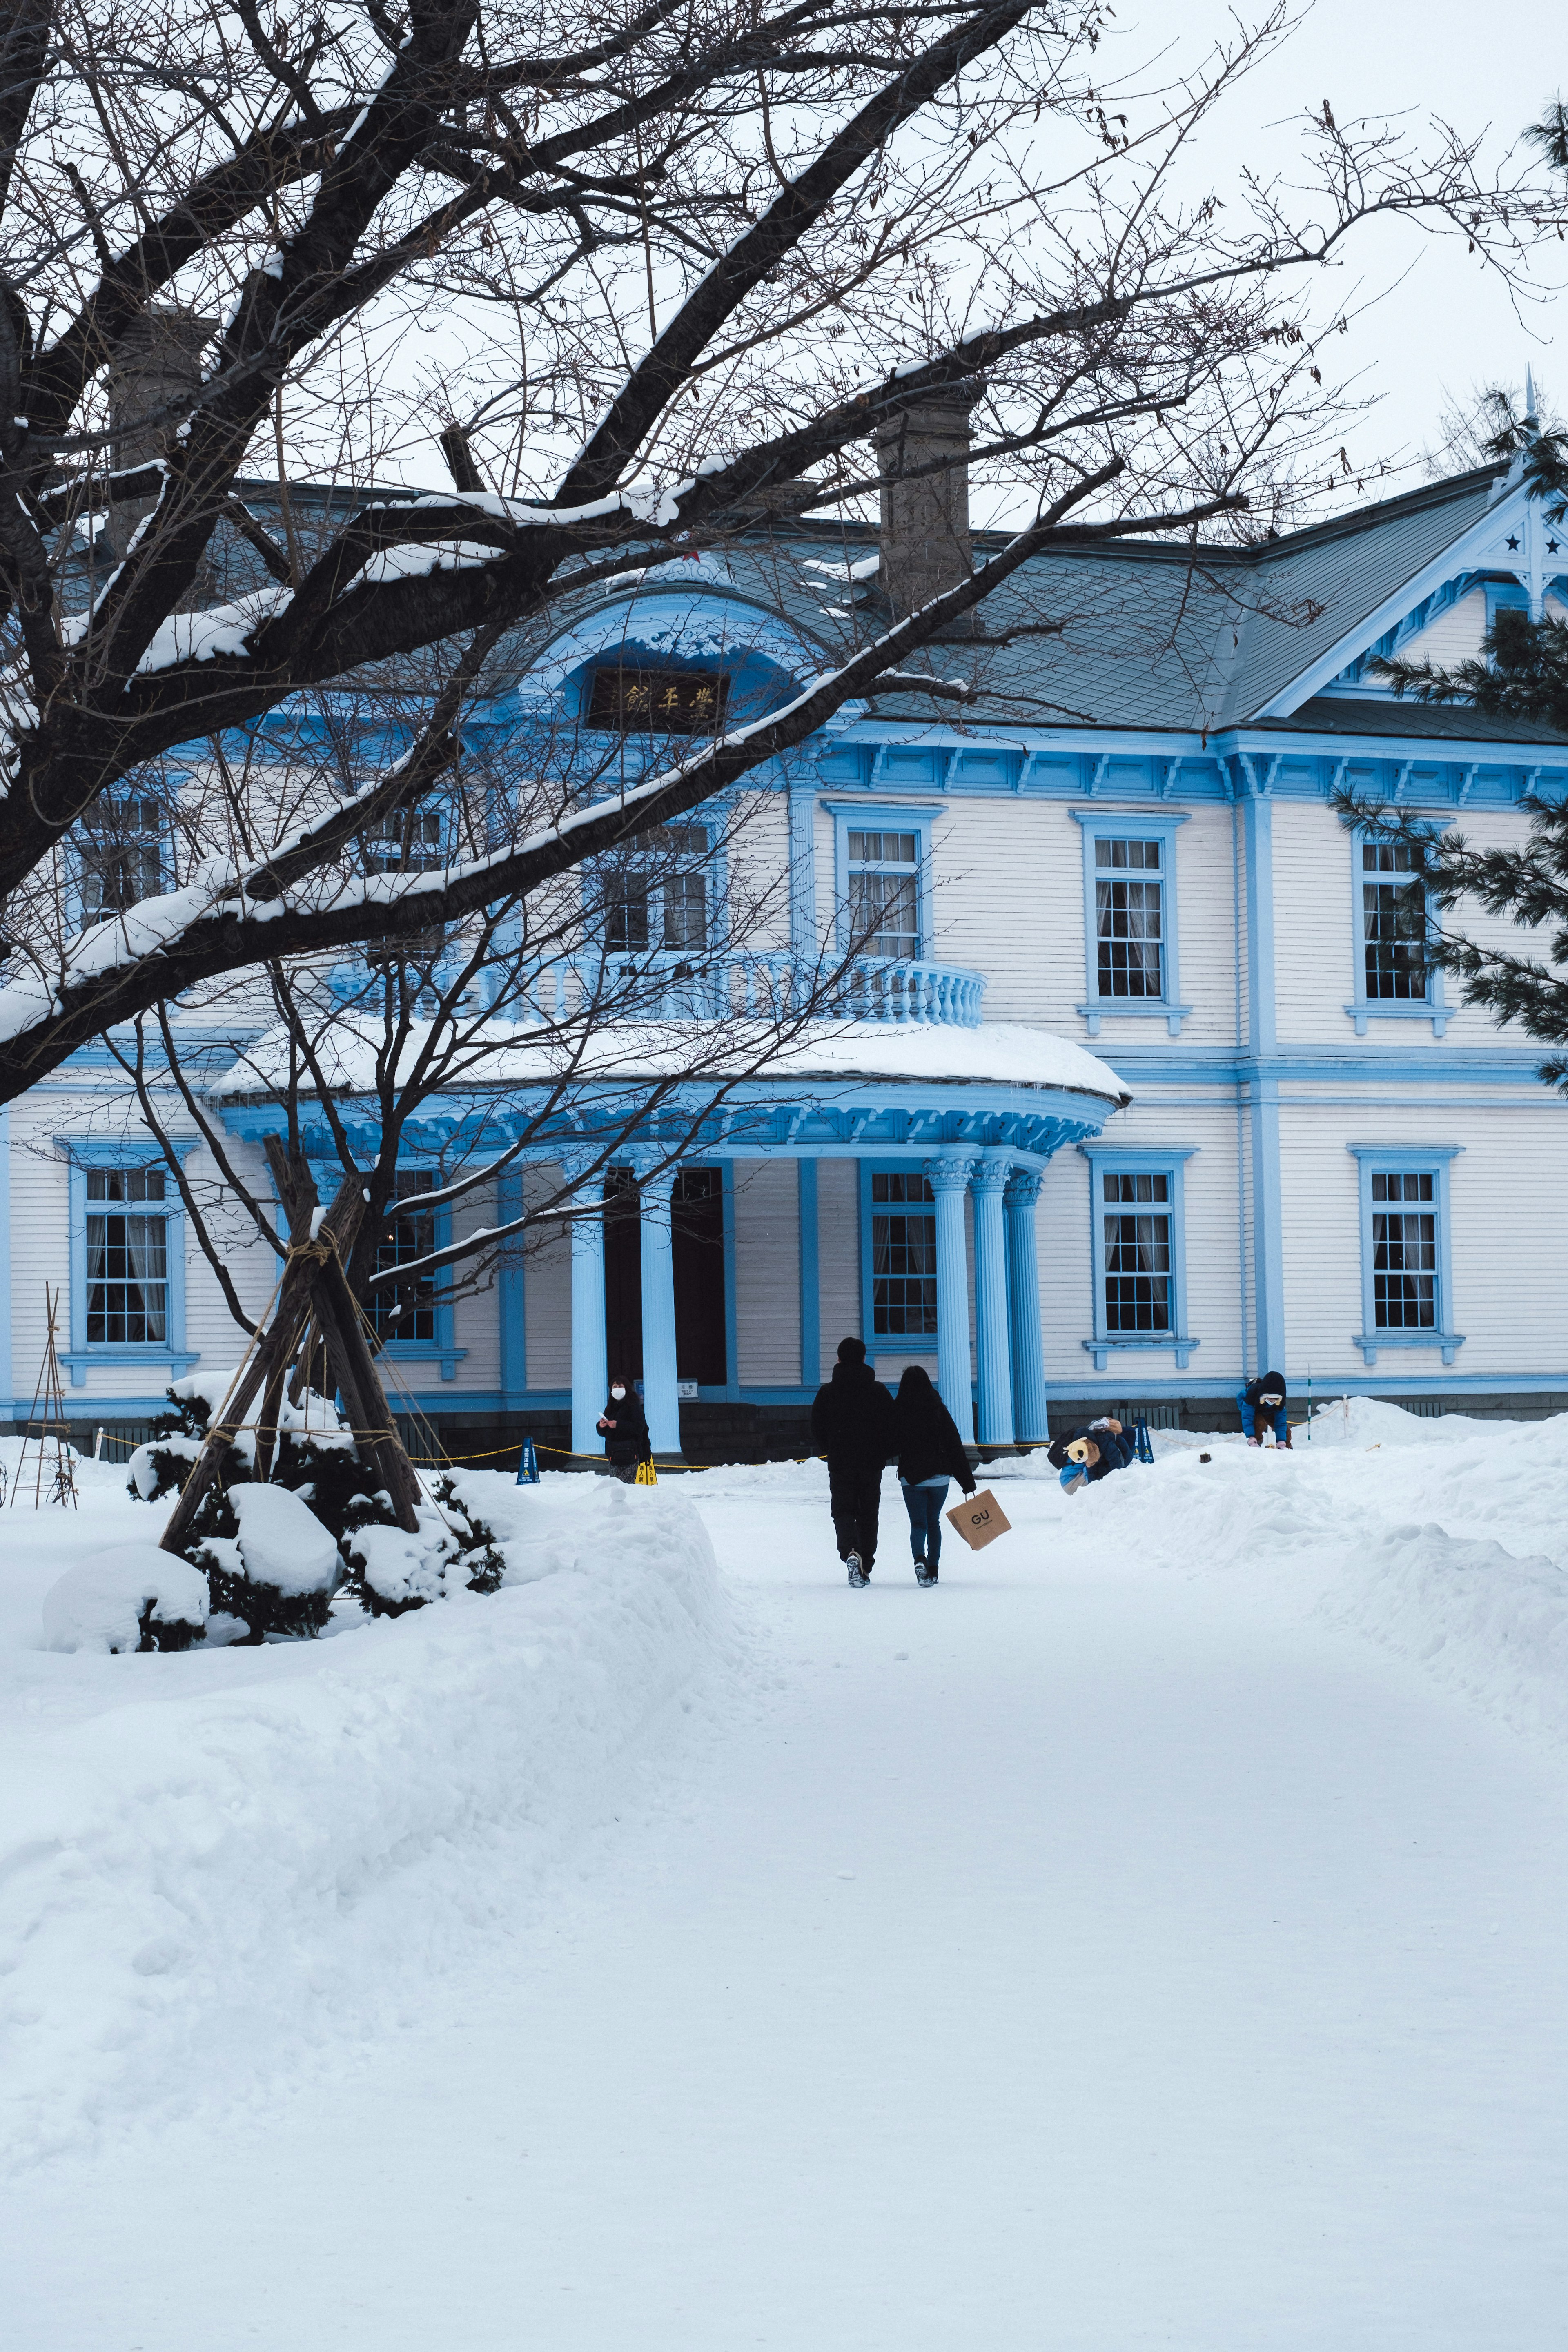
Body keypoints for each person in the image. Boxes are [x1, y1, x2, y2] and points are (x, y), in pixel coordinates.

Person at [810, 1336, 895, 1586]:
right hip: (871, 1464)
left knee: (843, 1511)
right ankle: (866, 1562)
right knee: (869, 1513)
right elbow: (892, 1425)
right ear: (864, 1358)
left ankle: (850, 1551)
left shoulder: (828, 1392)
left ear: (838, 1359)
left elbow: (817, 1427)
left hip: (841, 1463)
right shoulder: (878, 1391)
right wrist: (883, 1453)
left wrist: (831, 1449)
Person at [891, 1363, 976, 1587]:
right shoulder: (939, 1410)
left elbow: (890, 1444)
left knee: (918, 1524)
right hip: (939, 1478)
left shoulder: (899, 1411)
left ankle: (919, 1560)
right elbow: (955, 1446)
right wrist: (967, 1482)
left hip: (912, 1478)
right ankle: (934, 1569)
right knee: (933, 1523)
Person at [1045, 1416, 1135, 1496]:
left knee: (1105, 1467)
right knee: (1105, 1475)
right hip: (1071, 1482)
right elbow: (1092, 1469)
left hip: (1069, 1477)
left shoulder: (1092, 1435)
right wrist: (1118, 1482)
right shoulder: (1096, 1445)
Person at [597, 1375, 650, 1482]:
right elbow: (605, 1433)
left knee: (626, 1486)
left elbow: (639, 1428)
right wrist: (601, 1426)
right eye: (615, 1387)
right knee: (615, 1485)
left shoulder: (634, 1406)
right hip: (614, 1454)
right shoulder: (610, 1408)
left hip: (631, 1453)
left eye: (620, 1386)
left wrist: (618, 1425)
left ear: (627, 1388)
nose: (617, 1389)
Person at [1237, 1372, 1291, 1448]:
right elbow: (1248, 1417)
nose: (1272, 1401)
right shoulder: (1253, 1394)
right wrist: (1251, 1437)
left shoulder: (1281, 1401)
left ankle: (1287, 1448)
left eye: (1275, 1399)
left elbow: (1281, 1422)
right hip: (1255, 1409)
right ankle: (1256, 1442)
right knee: (1259, 1423)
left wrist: (1282, 1442)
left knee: (1286, 1431)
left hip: (1270, 1411)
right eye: (1270, 1398)